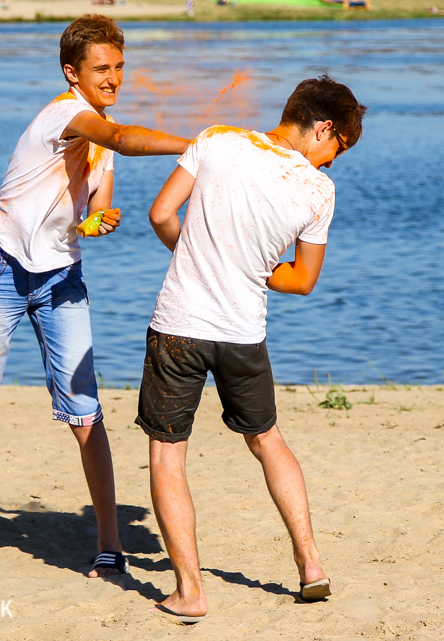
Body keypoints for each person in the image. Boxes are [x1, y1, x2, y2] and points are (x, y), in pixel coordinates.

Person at [0, 15, 190, 579]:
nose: (113, 78)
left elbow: (98, 201)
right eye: (101, 69)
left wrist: (97, 221)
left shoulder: (100, 132)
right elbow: (121, 139)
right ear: (73, 73)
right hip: (2, 264)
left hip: (61, 274)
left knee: (84, 407)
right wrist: (198, 146)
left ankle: (109, 539)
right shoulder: (66, 115)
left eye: (118, 68)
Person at [138, 75, 367, 622]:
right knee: (267, 440)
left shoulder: (217, 140)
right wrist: (253, 271)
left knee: (168, 455)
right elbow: (302, 280)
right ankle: (311, 564)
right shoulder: (316, 191)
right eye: (337, 149)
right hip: (243, 334)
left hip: (179, 328)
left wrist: (195, 255)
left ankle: (191, 592)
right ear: (323, 128)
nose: (332, 163)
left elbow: (160, 214)